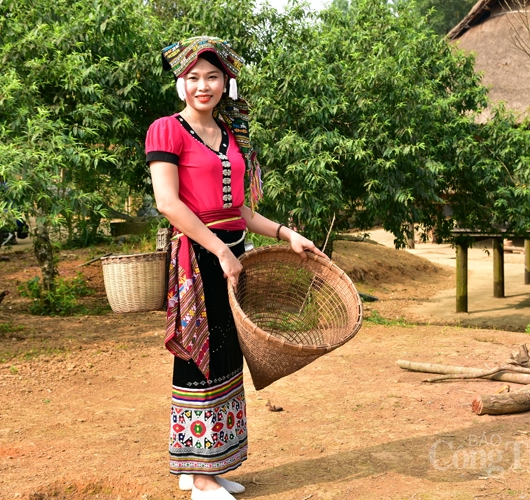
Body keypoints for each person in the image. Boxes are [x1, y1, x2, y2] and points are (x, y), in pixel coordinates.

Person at [146, 37, 325, 500]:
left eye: (212, 76)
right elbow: (168, 203)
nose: (202, 85)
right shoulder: (166, 130)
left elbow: (241, 213)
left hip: (233, 251)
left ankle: (209, 466)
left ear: (226, 83)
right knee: (200, 357)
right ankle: (198, 476)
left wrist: (287, 233)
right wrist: (220, 252)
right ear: (180, 84)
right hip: (198, 255)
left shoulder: (230, 137)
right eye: (193, 77)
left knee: (227, 357)